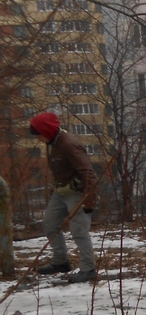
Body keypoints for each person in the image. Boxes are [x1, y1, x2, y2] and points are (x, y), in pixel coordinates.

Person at [29, 112, 99, 283]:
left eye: (39, 135)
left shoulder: (69, 144)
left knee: (79, 231)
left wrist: (89, 202)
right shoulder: (52, 141)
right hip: (60, 192)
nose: (38, 139)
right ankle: (61, 261)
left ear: (47, 131)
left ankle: (88, 268)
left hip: (77, 193)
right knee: (50, 224)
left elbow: (89, 174)